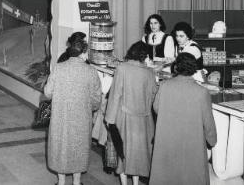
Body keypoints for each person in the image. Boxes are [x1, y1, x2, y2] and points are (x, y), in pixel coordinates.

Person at [149, 54, 217, 185]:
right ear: (194, 69)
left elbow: (156, 108)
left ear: (176, 67)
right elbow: (208, 122)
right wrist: (212, 140)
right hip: (192, 143)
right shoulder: (202, 92)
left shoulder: (164, 86)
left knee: (166, 176)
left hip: (167, 140)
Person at [44, 32, 102, 185]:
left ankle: (61, 182)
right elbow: (96, 100)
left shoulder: (58, 68)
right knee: (79, 148)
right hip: (82, 119)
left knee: (61, 147)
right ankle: (76, 182)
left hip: (60, 117)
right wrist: (89, 107)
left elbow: (48, 93)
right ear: (83, 53)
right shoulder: (91, 71)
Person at [105, 41, 157, 185]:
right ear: (144, 56)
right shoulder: (150, 72)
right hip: (143, 120)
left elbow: (115, 95)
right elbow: (153, 95)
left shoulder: (122, 68)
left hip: (124, 117)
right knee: (137, 155)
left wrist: (109, 118)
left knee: (122, 152)